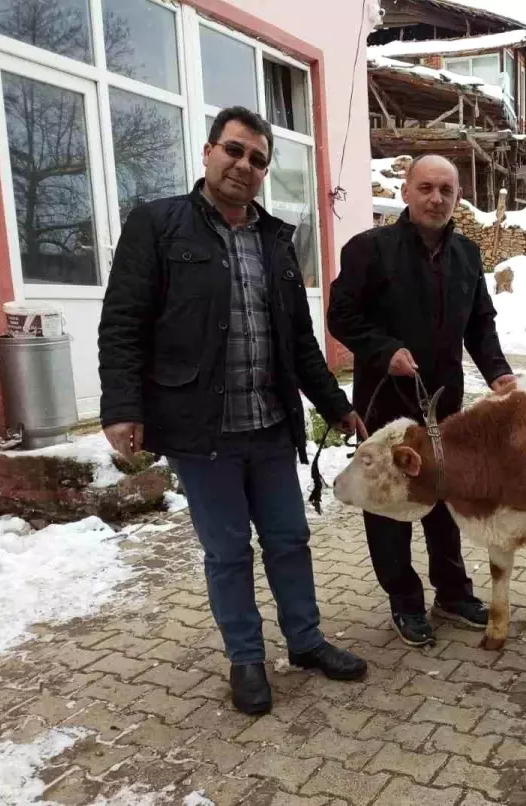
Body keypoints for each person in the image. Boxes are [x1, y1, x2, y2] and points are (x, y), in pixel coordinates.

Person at [98, 106, 368, 715]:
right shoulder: (158, 226)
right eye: (235, 151)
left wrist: (336, 405)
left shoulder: (276, 240)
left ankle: (305, 641)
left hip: (271, 427)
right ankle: (246, 659)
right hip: (202, 430)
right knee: (227, 551)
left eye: (257, 159)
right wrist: (121, 407)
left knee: (290, 539)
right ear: (208, 151)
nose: (244, 166)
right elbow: (122, 325)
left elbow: (298, 340)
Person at [327, 154, 517, 647]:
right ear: (407, 192)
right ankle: (405, 601)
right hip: (385, 400)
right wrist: (384, 350)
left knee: (443, 500)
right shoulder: (369, 249)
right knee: (389, 503)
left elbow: (480, 324)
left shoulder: (468, 256)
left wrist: (497, 373)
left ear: (457, 198)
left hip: (444, 405)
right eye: (426, 188)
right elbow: (341, 317)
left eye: (446, 191)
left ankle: (452, 593)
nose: (436, 199)